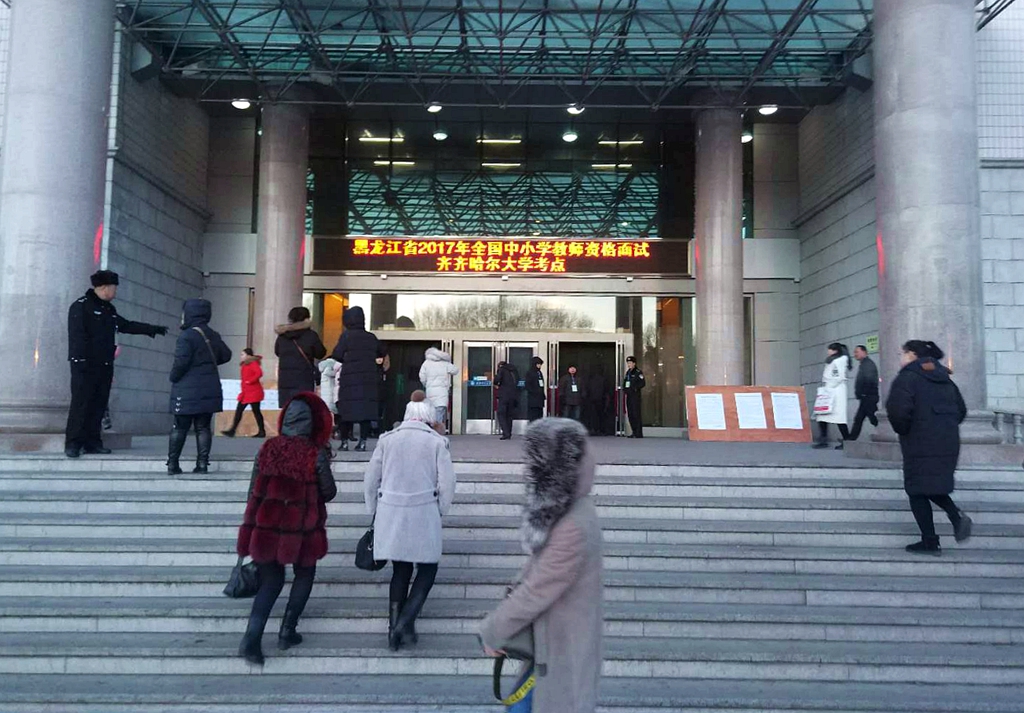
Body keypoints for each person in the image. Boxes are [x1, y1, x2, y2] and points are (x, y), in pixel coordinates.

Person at [480, 418, 603, 713]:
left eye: (534, 463)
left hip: (561, 656)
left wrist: (493, 629)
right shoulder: (569, 512)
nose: (527, 470)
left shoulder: (572, 524)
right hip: (551, 648)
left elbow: (539, 587)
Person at [236, 392, 337, 665]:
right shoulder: (314, 453)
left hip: (267, 527)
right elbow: (329, 492)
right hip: (302, 529)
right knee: (305, 574)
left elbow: (253, 491)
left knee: (271, 582)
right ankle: (287, 630)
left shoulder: (268, 448)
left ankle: (251, 639)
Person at [364, 396, 456, 651]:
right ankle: (405, 621)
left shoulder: (387, 440)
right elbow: (447, 483)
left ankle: (393, 631)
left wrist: (374, 510)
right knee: (428, 569)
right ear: (429, 418)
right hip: (424, 511)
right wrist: (440, 510)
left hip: (391, 512)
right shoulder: (436, 442)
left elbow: (371, 479)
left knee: (401, 570)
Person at [65, 270, 169, 458]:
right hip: (85, 366)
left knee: (98, 404)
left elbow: (125, 325)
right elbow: (77, 336)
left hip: (104, 365)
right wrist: (79, 361)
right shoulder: (81, 307)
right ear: (104, 288)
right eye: (114, 288)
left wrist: (151, 329)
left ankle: (92, 442)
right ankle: (73, 443)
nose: (115, 292)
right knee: (81, 404)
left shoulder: (108, 310)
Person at [886, 340, 973, 555]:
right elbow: (961, 410)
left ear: (912, 355)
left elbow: (897, 411)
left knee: (916, 489)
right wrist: (943, 427)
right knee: (931, 485)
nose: (901, 357)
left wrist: (905, 430)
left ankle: (930, 540)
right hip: (947, 442)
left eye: (903, 353)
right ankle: (955, 517)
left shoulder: (908, 377)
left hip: (919, 442)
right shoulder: (945, 378)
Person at [167, 299, 232, 475]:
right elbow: (226, 355)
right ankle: (202, 464)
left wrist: (173, 377)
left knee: (180, 426)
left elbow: (181, 362)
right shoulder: (212, 334)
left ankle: (173, 464)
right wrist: (207, 362)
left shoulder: (187, 336)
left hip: (187, 388)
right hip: (209, 387)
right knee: (203, 427)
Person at [331, 306, 386, 452]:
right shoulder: (371, 337)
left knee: (345, 412)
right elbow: (382, 351)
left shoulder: (346, 336)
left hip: (349, 380)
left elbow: (337, 354)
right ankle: (362, 442)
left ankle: (344, 442)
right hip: (368, 380)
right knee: (365, 413)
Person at [274, 307, 327, 407]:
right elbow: (321, 353)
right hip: (304, 380)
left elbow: (277, 352)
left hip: (285, 381)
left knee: (287, 410)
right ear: (307, 319)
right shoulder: (311, 335)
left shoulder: (282, 336)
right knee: (304, 408)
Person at [813, 342, 852, 449]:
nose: (828, 351)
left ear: (835, 350)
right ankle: (825, 440)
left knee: (838, 418)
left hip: (835, 392)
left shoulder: (838, 361)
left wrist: (828, 387)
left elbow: (838, 377)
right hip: (831, 391)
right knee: (823, 417)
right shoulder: (836, 360)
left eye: (830, 349)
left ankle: (846, 441)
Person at [222, 349, 266, 438]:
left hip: (253, 392)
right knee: (249, 411)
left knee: (254, 411)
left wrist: (250, 381)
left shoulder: (252, 363)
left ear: (248, 355)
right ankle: (233, 430)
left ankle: (233, 430)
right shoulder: (246, 364)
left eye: (242, 354)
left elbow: (259, 373)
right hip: (247, 392)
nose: (241, 356)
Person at [419, 347, 459, 431]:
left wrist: (427, 385)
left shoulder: (426, 363)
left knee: (430, 412)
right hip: (442, 392)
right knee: (439, 413)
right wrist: (448, 361)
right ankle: (437, 431)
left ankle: (430, 430)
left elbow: (422, 377)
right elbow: (455, 370)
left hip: (430, 392)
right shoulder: (445, 363)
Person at [848, 345, 880, 441]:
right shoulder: (864, 364)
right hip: (866, 397)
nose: (855, 354)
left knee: (873, 418)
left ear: (864, 352)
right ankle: (850, 439)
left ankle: (888, 432)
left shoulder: (868, 364)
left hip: (868, 396)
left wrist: (864, 393)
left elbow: (869, 380)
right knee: (860, 419)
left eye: (857, 352)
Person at [494, 360, 520, 440]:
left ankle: (506, 433)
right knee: (509, 415)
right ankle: (509, 432)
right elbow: (518, 381)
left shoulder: (502, 370)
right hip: (513, 395)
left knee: (501, 414)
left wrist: (496, 384)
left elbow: (497, 380)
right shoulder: (514, 370)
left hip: (504, 395)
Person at [623, 356, 645, 438]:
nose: (629, 365)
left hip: (635, 396)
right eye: (628, 363)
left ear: (634, 363)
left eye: (630, 363)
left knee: (636, 414)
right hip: (629, 396)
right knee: (630, 414)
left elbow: (642, 383)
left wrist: (635, 388)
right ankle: (634, 431)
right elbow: (625, 382)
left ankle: (638, 433)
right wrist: (625, 389)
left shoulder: (638, 372)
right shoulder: (628, 372)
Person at [318, 356, 340, 439]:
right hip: (330, 392)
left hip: (325, 393)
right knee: (332, 411)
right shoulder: (329, 366)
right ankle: (333, 428)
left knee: (329, 410)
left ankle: (330, 429)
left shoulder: (322, 368)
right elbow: (331, 374)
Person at [525, 356, 546, 422]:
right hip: (533, 398)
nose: (539, 366)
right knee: (533, 415)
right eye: (538, 364)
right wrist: (535, 392)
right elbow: (527, 385)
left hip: (539, 398)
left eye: (540, 364)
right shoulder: (530, 373)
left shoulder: (539, 373)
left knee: (539, 415)